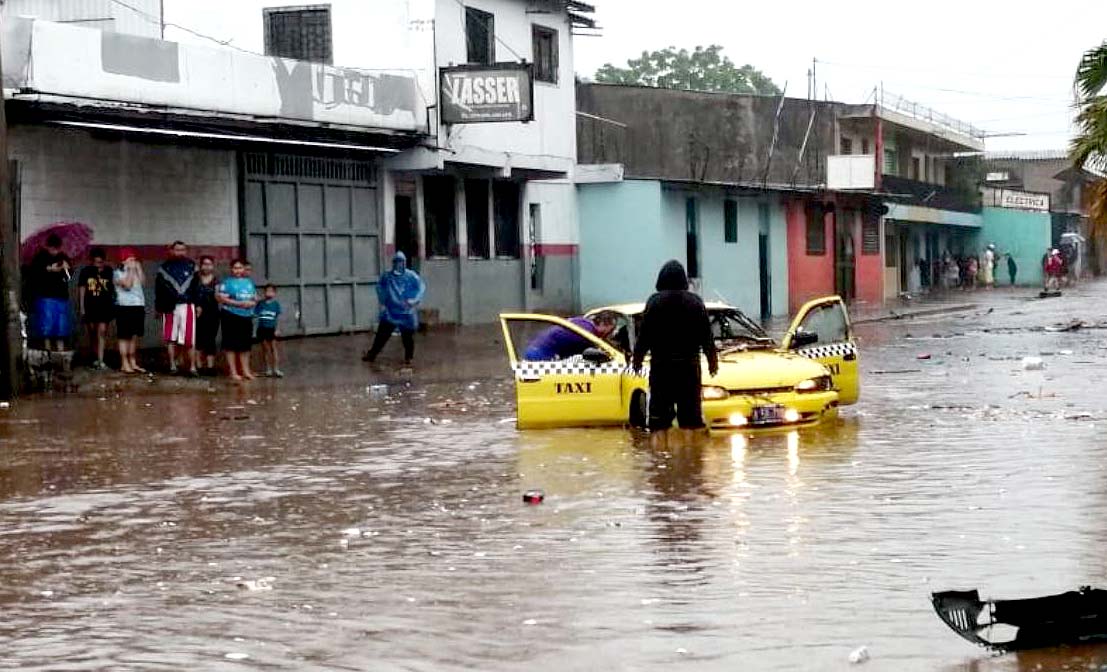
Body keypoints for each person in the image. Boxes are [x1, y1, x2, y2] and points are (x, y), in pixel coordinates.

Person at [632, 260, 718, 435]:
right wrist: (712, 362)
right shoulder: (695, 302)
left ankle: (660, 459)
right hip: (689, 369)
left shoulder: (654, 302)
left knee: (659, 421)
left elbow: (644, 336)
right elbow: (707, 337)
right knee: (691, 419)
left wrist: (637, 361)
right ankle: (692, 458)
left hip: (661, 370)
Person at [362, 251, 425, 366]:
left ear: (404, 263)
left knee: (408, 338)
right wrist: (383, 299)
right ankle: (372, 354)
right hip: (391, 312)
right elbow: (379, 286)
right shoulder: (387, 276)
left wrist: (414, 300)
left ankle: (409, 357)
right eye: (396, 262)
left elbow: (421, 287)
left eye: (401, 262)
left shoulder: (411, 276)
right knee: (381, 335)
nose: (398, 265)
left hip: (406, 312)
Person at [155, 241, 199, 376]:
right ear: (172, 251)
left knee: (189, 338)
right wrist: (158, 307)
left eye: (182, 250)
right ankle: (173, 366)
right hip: (169, 307)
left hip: (187, 306)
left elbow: (197, 288)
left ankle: (192, 367)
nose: (180, 252)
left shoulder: (192, 266)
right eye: (177, 250)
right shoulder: (164, 268)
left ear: (186, 251)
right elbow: (159, 289)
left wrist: (198, 305)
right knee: (170, 338)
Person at [216, 259, 258, 382]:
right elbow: (222, 299)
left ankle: (246, 371)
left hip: (246, 316)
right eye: (235, 268)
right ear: (231, 269)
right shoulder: (227, 283)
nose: (238, 271)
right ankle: (233, 372)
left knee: (245, 345)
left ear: (244, 269)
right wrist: (239, 304)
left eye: (240, 268)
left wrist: (252, 303)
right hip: (230, 315)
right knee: (231, 344)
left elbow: (255, 297)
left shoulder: (248, 282)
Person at [29, 233, 72, 352]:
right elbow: (34, 274)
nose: (54, 251)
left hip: (61, 296)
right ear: (47, 247)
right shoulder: (40, 257)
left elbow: (69, 278)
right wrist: (48, 269)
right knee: (46, 326)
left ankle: (61, 352)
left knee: (61, 327)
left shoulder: (63, 257)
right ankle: (47, 352)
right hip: (45, 296)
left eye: (57, 249)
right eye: (52, 248)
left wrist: (66, 269)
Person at [524, 312, 618, 361]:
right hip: (542, 356)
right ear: (603, 324)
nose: (610, 333)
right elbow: (589, 354)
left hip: (535, 350)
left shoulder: (583, 322)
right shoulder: (587, 333)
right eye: (611, 329)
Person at [78, 247, 115, 369]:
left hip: (104, 306)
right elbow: (82, 289)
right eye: (95, 262)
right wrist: (82, 307)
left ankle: (101, 359)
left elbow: (113, 289)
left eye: (100, 262)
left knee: (102, 332)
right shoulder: (86, 272)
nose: (98, 265)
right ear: (91, 261)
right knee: (93, 333)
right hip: (90, 305)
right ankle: (95, 357)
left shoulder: (109, 271)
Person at [113, 249, 147, 374]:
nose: (133, 262)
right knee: (124, 336)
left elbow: (143, 282)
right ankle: (124, 362)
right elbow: (127, 285)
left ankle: (133, 361)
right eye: (130, 260)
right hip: (124, 307)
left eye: (134, 259)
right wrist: (131, 270)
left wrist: (139, 269)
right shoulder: (117, 273)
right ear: (123, 261)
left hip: (138, 305)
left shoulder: (136, 271)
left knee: (134, 335)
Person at [190, 255, 221, 375]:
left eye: (209, 264)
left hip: (212, 313)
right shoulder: (195, 279)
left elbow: (218, 297)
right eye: (204, 264)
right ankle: (198, 365)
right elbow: (191, 294)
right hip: (197, 312)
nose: (207, 267)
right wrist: (196, 305)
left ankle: (210, 366)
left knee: (210, 340)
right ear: (200, 265)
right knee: (198, 339)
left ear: (213, 266)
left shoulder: (216, 280)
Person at [254, 284, 283, 378]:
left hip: (271, 328)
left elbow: (278, 317)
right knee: (265, 349)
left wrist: (278, 328)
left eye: (271, 291)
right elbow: (255, 313)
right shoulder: (261, 303)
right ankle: (268, 369)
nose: (269, 293)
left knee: (273, 348)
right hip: (262, 328)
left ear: (275, 293)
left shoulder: (276, 304)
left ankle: (276, 368)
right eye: (267, 291)